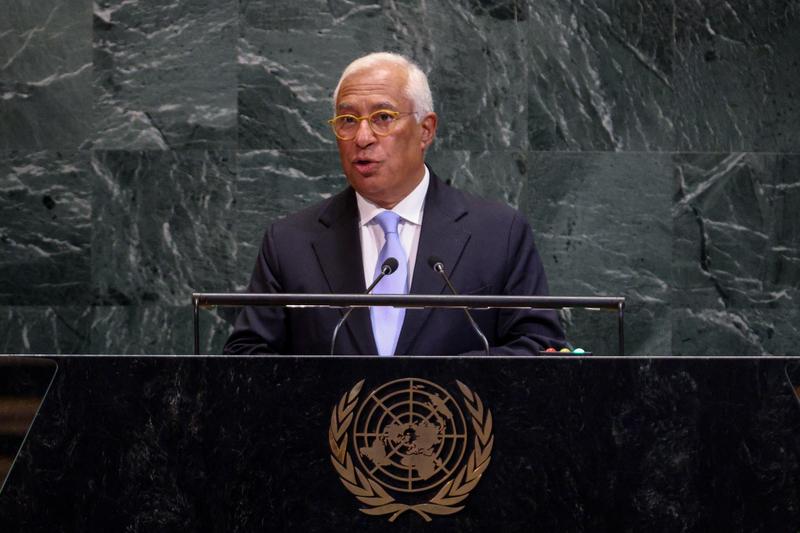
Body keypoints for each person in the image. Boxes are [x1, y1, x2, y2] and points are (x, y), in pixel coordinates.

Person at [223, 52, 565, 355]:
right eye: (347, 120)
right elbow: (247, 354)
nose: (362, 137)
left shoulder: (498, 233)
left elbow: (539, 344)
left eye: (383, 117)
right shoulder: (289, 242)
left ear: (425, 130)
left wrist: (451, 382)